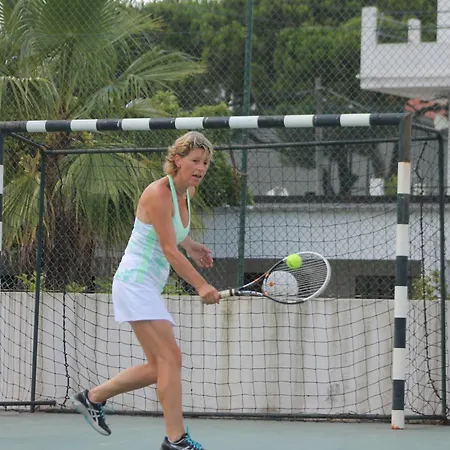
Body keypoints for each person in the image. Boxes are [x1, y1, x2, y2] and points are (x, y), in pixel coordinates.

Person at [70, 131, 220, 450]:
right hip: (134, 283)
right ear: (177, 159)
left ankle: (92, 397)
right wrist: (201, 284)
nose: (201, 168)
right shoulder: (158, 193)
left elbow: (173, 234)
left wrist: (191, 245)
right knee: (171, 358)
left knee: (159, 366)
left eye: (205, 162)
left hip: (148, 286)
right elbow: (168, 249)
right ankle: (176, 439)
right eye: (195, 160)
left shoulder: (187, 193)